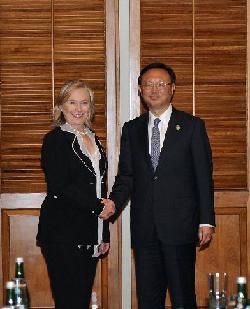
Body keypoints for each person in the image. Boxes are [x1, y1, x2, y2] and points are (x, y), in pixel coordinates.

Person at [105, 63, 215, 308]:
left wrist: (206, 220)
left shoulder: (192, 126)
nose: (154, 90)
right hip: (145, 230)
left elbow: (203, 177)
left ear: (172, 88)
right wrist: (113, 202)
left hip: (180, 227)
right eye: (148, 84)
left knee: (182, 298)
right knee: (148, 300)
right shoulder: (131, 129)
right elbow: (127, 176)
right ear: (140, 90)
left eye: (160, 84)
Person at [36, 80, 115, 309]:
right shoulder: (54, 140)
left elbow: (99, 187)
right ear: (61, 106)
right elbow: (62, 186)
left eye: (84, 103)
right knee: (68, 301)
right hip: (62, 232)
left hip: (90, 232)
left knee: (81, 300)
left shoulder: (93, 138)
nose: (78, 109)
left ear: (90, 108)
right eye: (72, 102)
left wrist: (103, 235)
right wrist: (99, 207)